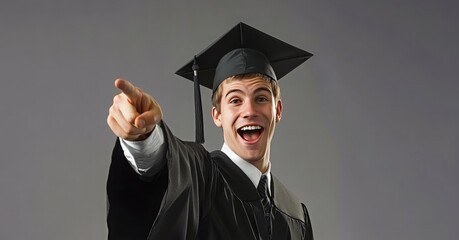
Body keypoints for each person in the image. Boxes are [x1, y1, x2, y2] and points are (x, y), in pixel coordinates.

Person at [106, 22, 314, 240]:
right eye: (235, 100)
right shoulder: (201, 178)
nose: (249, 111)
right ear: (217, 115)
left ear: (277, 110)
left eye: (261, 98)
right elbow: (171, 165)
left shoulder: (296, 214)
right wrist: (144, 137)